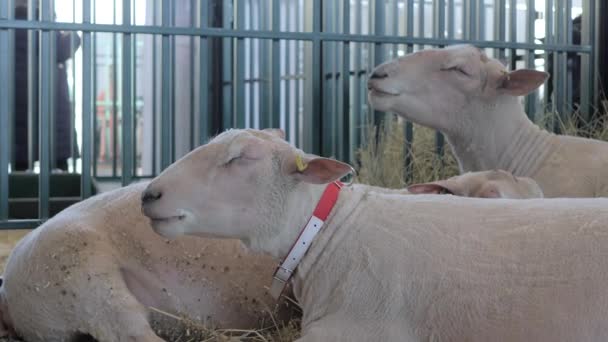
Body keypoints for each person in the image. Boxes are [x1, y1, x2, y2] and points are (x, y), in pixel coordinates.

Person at [13, 3, 81, 171]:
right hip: (49, 101)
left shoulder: (9, 26)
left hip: (17, 103)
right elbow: (63, 49)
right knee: (58, 163)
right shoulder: (44, 24)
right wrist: (74, 34)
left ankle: (16, 190)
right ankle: (63, 192)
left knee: (20, 162)